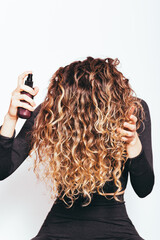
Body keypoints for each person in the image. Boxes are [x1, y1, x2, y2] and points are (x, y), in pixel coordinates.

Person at [0, 57, 154, 240]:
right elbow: (3, 170)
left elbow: (144, 189)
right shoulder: (51, 112)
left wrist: (133, 142)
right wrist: (10, 119)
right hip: (58, 227)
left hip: (116, 228)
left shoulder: (132, 111)